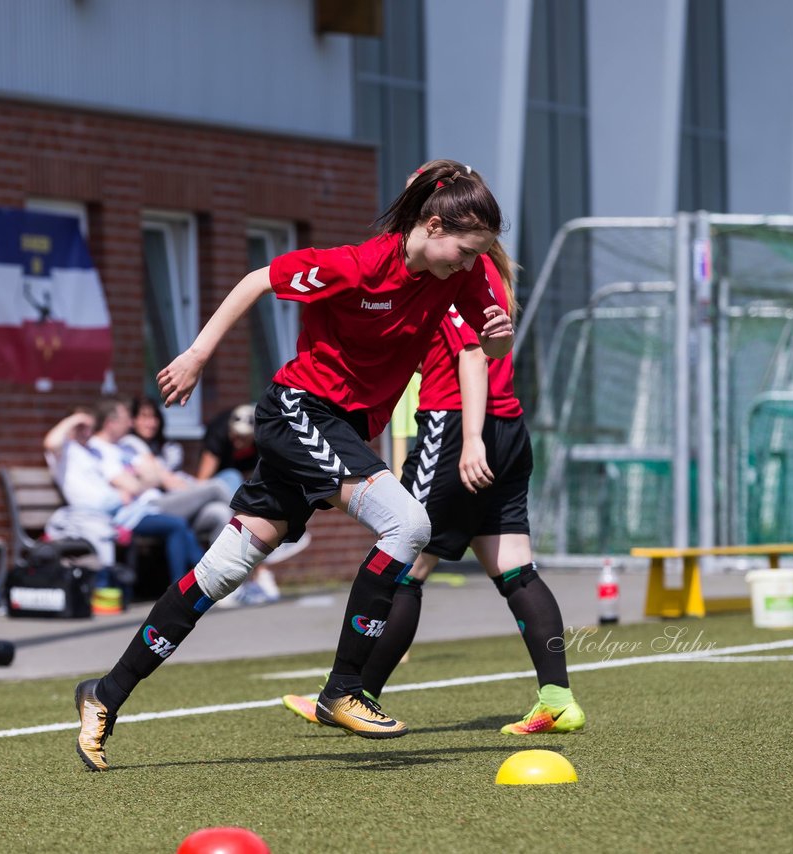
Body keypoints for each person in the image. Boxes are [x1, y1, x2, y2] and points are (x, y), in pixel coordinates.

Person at [72, 159, 514, 771]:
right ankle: (343, 690)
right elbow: (258, 279)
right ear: (434, 226)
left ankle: (105, 693)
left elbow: (486, 347)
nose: (468, 266)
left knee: (223, 570)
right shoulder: (356, 266)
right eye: (463, 251)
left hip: (344, 430)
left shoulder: (461, 273)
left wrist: (499, 334)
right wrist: (197, 354)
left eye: (476, 256)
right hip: (297, 412)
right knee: (408, 525)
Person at [280, 236, 585, 735]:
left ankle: (352, 695)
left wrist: (469, 441)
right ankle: (557, 699)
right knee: (516, 570)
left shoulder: (448, 271)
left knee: (405, 565)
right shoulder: (482, 268)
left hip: (456, 427)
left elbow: (469, 354)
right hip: (509, 428)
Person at [44, 398, 232, 584]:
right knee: (181, 520)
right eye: (80, 427)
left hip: (122, 510)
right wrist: (75, 419)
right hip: (103, 515)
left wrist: (127, 490)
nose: (86, 432)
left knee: (216, 510)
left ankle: (210, 581)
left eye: (88, 427)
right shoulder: (65, 451)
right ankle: (191, 584)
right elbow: (51, 442)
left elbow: (148, 478)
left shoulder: (93, 451)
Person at [195, 402, 258, 494]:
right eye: (236, 436)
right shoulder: (218, 432)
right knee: (233, 476)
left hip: (246, 480)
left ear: (253, 436)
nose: (238, 443)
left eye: (244, 438)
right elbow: (203, 480)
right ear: (230, 430)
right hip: (219, 482)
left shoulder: (263, 440)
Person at [123, 395, 187, 478]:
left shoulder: (170, 448)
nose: (151, 423)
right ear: (133, 421)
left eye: (155, 417)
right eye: (145, 417)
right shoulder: (126, 445)